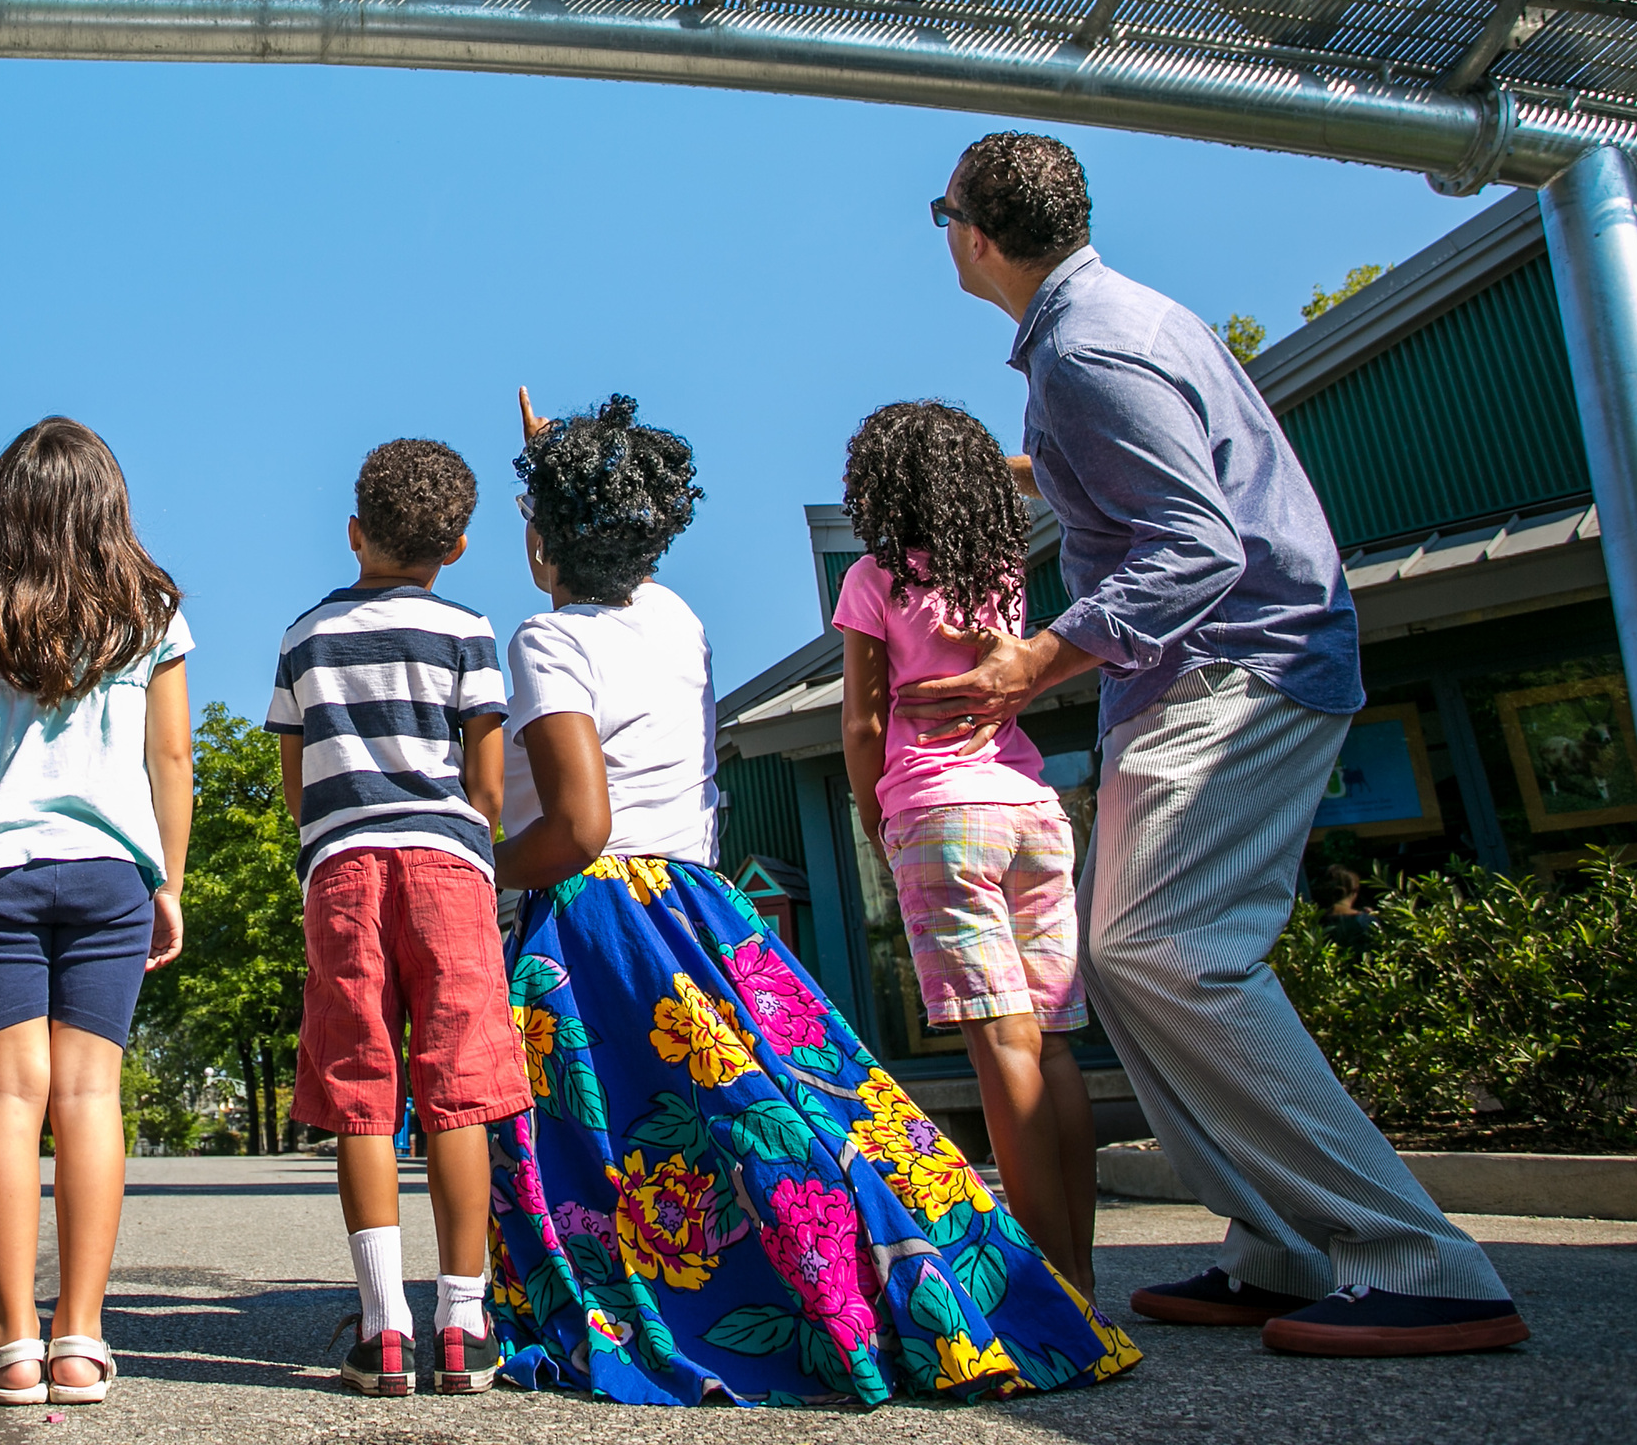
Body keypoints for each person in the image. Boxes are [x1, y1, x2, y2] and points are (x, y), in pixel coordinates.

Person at [906, 131, 1527, 1357]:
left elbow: (1197, 544)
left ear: (973, 232)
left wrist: (1036, 658)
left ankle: (1420, 1258)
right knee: (1131, 955)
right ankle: (1282, 1245)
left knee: (1169, 946)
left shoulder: (1086, 350)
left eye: (942, 214)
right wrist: (1007, 469)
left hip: (1245, 662)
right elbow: (1144, 478)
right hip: (1220, 663)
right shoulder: (1114, 325)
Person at [488, 391, 1136, 1407]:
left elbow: (579, 826)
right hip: (705, 902)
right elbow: (613, 572)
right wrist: (568, 477)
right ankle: (995, 1270)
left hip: (602, 913)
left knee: (629, 1137)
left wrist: (485, 861)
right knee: (802, 1111)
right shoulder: (678, 616)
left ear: (543, 539)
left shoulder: (541, 638)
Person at [0, 417, 194, 1407]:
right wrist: (166, 877)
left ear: (7, 510)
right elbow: (171, 758)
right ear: (108, 506)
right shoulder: (150, 611)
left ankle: (11, 1343)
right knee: (90, 1095)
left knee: (8, 1093)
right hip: (109, 873)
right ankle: (80, 1339)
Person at [267, 439, 526, 1397]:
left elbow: (297, 784)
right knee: (460, 1081)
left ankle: (382, 1327)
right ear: (456, 545)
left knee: (361, 1082)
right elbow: (488, 785)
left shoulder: (305, 636)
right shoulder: (470, 630)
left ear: (353, 531)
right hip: (449, 866)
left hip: (341, 866)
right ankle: (463, 1323)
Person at [835, 399, 1098, 1297]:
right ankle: (1081, 1278)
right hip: (1030, 810)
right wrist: (987, 465)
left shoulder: (876, 580)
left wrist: (876, 810)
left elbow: (864, 722)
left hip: (941, 817)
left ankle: (1046, 1295)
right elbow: (1040, 472)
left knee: (1002, 1051)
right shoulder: (998, 570)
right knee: (1052, 1047)